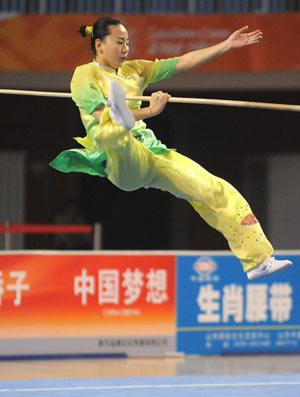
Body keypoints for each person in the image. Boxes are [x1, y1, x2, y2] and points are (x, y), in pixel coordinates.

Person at [50, 16, 292, 280]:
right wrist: (149, 111)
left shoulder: (136, 69)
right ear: (99, 44)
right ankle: (119, 119)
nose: (125, 49)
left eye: (128, 43)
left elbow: (182, 62)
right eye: (119, 42)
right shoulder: (85, 74)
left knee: (213, 188)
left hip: (154, 154)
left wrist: (224, 45)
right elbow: (97, 114)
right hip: (120, 159)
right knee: (113, 133)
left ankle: (257, 259)